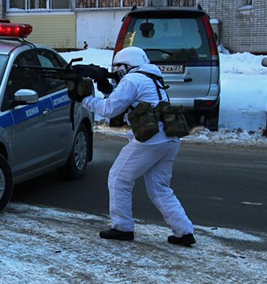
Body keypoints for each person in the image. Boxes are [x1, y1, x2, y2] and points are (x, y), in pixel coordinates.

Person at [72, 46, 195, 247]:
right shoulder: (152, 77)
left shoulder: (131, 79)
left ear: (127, 65)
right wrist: (108, 89)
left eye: (118, 66)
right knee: (159, 188)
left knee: (118, 178)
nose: (117, 70)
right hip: (169, 138)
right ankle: (184, 232)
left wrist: (83, 99)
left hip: (151, 140)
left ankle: (122, 228)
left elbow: (109, 109)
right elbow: (130, 101)